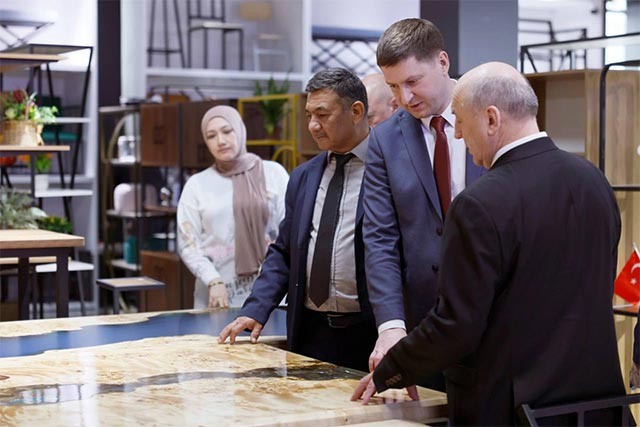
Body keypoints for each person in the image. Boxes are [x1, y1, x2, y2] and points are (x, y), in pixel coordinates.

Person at [352, 61, 626, 425]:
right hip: (597, 406)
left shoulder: (479, 204)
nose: (458, 135)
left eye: (461, 121)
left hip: (513, 409)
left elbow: (456, 326)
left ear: (492, 119)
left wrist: (393, 368)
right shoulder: (594, 181)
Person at [218, 68, 377, 372]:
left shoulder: (389, 170)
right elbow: (284, 251)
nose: (313, 125)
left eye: (323, 114)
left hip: (370, 334)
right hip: (310, 332)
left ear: (356, 112)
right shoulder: (304, 176)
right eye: (308, 115)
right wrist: (256, 309)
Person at [363, 18, 484, 388]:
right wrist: (391, 326)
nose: (404, 98)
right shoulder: (384, 140)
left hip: (491, 312)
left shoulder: (489, 117)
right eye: (393, 86)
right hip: (422, 323)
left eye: (412, 81)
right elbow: (380, 238)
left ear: (442, 62)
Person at [177, 105, 289, 309]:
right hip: (217, 296)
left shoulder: (273, 174)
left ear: (240, 130)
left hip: (270, 292)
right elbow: (188, 242)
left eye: (227, 131)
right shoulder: (197, 184)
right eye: (211, 136)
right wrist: (213, 280)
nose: (221, 141)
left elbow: (289, 229)